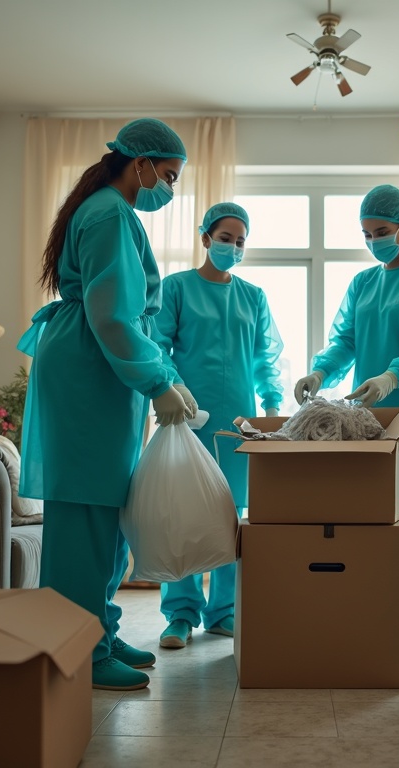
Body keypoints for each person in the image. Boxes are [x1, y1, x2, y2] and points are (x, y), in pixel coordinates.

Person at [17, 118, 195, 692]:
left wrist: (163, 374)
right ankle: (80, 651)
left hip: (99, 369)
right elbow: (114, 316)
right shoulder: (108, 213)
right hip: (90, 368)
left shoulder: (106, 212)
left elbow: (123, 314)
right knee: (84, 514)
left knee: (107, 510)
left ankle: (99, 628)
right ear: (139, 165)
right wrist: (156, 381)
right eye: (166, 175)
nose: (167, 189)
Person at [294, 184, 399, 650]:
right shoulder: (364, 282)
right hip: (368, 419)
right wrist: (320, 370)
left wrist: (394, 376)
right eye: (366, 234)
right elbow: (345, 337)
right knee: (380, 514)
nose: (374, 241)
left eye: (382, 231)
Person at [154, 202, 284, 648]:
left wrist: (271, 404)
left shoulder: (253, 297)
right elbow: (157, 346)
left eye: (241, 241)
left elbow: (266, 358)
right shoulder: (176, 288)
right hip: (187, 418)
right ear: (205, 238)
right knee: (184, 514)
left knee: (230, 516)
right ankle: (181, 613)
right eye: (225, 238)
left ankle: (224, 611)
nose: (233, 247)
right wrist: (172, 387)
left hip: (237, 425)